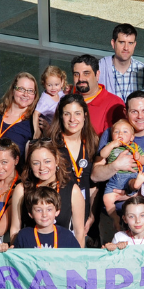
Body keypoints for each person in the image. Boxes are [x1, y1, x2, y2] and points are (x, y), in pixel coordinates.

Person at [92, 91, 144, 236]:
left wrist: (133, 195)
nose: (140, 116)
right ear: (125, 112)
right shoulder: (112, 134)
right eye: (134, 111)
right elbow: (95, 176)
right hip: (112, 215)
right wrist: (115, 165)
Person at [8, 139, 86, 246]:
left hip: (61, 255)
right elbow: (15, 229)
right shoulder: (21, 189)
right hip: (31, 255)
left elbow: (79, 233)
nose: (42, 167)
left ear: (56, 160)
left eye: (47, 161)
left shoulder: (73, 190)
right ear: (30, 164)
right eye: (36, 163)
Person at [46, 93, 99, 231]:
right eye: (67, 114)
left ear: (85, 116)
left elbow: (93, 186)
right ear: (60, 116)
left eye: (77, 113)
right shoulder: (51, 145)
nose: (72, 119)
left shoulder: (93, 143)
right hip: (58, 216)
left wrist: (92, 216)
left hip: (85, 217)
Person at [99, 119, 144, 227]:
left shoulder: (134, 147)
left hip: (129, 176)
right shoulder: (110, 146)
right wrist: (112, 145)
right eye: (116, 132)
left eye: (125, 132)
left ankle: (137, 183)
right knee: (107, 199)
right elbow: (102, 154)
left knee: (132, 184)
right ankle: (115, 217)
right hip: (113, 180)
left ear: (131, 137)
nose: (120, 134)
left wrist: (139, 157)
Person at [0, 72, 39, 161]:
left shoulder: (34, 121)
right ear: (13, 91)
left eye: (30, 91)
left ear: (35, 95)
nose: (25, 94)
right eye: (21, 89)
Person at [70, 54, 125, 136]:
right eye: (76, 74)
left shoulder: (114, 103)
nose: (81, 78)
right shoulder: (67, 101)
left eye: (86, 73)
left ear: (97, 75)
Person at [13, 186, 81, 249]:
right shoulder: (24, 235)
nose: (44, 214)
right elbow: (13, 258)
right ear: (31, 214)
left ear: (57, 211)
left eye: (49, 209)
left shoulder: (67, 236)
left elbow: (77, 258)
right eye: (39, 210)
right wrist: (4, 248)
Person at [98, 23, 144, 102]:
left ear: (134, 45)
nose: (126, 48)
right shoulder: (100, 68)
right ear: (113, 44)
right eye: (122, 42)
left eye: (130, 43)